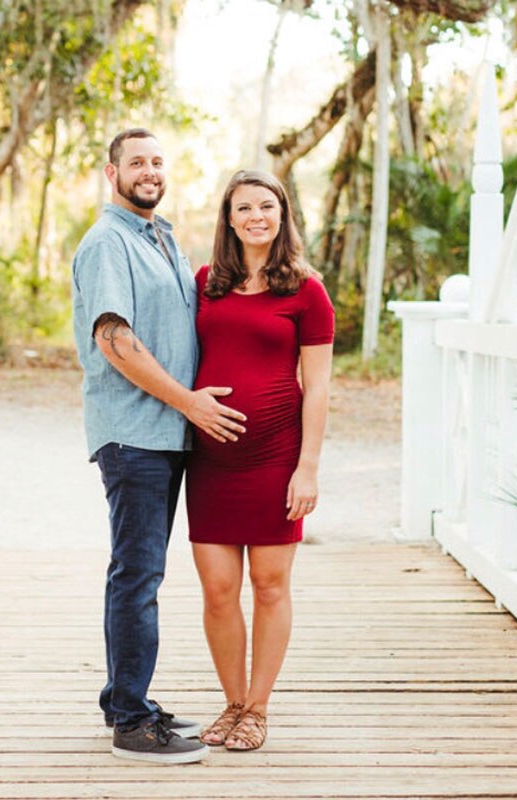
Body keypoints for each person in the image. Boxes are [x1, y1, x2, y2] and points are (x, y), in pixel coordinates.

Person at [71, 128, 246, 764]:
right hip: (135, 435)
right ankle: (130, 723)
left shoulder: (162, 238)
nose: (148, 171)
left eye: (156, 161)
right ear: (111, 173)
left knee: (141, 571)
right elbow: (113, 338)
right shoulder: (108, 242)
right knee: (137, 573)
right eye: (135, 162)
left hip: (168, 436)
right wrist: (190, 402)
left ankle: (127, 696)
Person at [185, 169, 334, 751]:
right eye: (244, 207)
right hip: (210, 463)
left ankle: (258, 709)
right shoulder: (204, 283)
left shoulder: (307, 291)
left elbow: (317, 386)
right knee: (218, 589)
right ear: (228, 218)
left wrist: (309, 467)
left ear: (282, 215)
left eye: (266, 206)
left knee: (270, 586)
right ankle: (231, 702)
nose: (256, 217)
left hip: (276, 459)